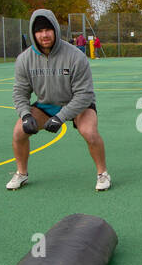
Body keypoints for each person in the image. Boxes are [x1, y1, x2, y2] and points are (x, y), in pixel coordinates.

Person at [7, 10, 110, 191]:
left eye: (48, 29)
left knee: (89, 132)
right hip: (46, 105)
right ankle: (21, 173)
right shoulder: (24, 59)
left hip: (77, 104)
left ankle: (102, 174)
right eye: (39, 31)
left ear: (55, 29)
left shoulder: (75, 56)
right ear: (33, 33)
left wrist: (61, 117)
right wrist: (25, 115)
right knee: (18, 132)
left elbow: (84, 94)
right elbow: (20, 92)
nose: (44, 35)